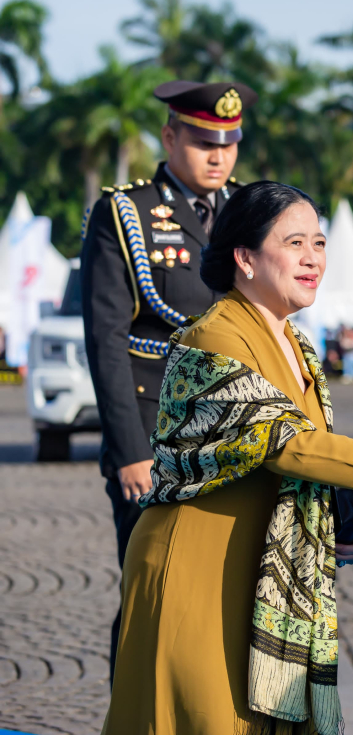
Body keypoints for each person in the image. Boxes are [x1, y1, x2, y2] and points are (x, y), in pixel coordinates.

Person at [101, 181, 353, 735]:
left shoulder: (297, 345)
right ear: (245, 258)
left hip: (258, 569)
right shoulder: (212, 338)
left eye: (319, 243)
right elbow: (288, 444)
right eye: (294, 242)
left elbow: (314, 448)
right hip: (198, 568)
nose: (312, 258)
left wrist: (350, 523)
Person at [81, 79, 255, 676]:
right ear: (170, 137)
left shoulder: (248, 210)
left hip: (236, 427)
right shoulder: (124, 213)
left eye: (229, 144)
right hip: (156, 426)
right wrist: (129, 451)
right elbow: (106, 341)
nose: (219, 156)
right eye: (205, 142)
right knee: (152, 586)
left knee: (227, 592)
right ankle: (133, 711)